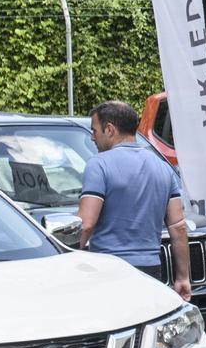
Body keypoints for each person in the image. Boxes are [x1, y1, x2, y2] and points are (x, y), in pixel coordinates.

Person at [77, 100, 193, 302]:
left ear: (110, 129)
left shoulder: (98, 165)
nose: (92, 137)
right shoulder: (163, 168)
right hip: (151, 271)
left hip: (109, 271)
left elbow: (86, 224)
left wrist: (69, 260)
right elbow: (178, 227)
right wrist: (183, 277)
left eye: (95, 131)